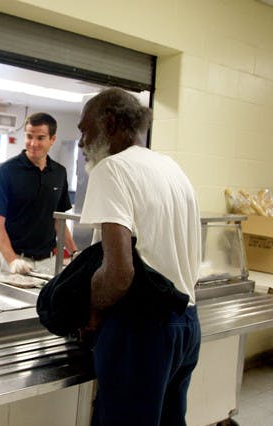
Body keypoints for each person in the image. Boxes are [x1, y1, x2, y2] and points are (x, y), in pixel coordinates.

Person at [77, 88, 201, 425]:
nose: (81, 142)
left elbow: (118, 273)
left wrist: (91, 314)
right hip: (187, 324)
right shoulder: (170, 167)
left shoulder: (111, 170)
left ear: (111, 123)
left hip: (141, 331)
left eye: (85, 130)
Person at [0, 112, 78, 276]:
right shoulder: (5, 171)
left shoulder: (59, 173)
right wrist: (12, 259)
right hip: (12, 260)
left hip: (47, 262)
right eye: (29, 136)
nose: (33, 143)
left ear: (52, 139)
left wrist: (75, 253)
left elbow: (59, 221)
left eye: (40, 138)